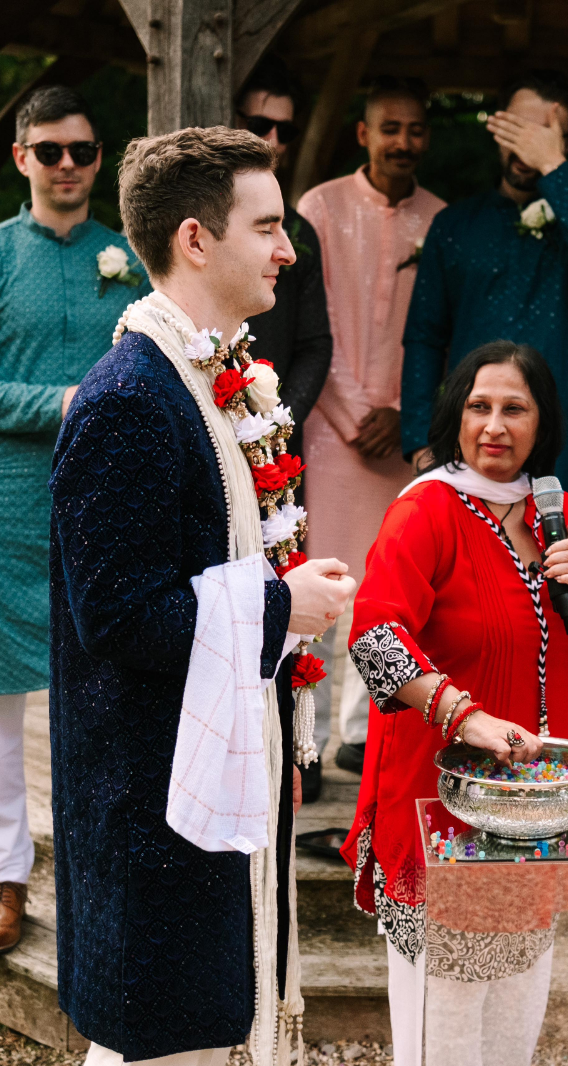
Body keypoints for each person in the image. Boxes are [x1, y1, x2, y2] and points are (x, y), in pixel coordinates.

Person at [49, 126, 358, 1066]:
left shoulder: (214, 378)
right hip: (152, 799)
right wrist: (280, 607)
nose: (287, 249)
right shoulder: (131, 397)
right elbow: (118, 615)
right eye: (267, 226)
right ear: (195, 239)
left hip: (212, 767)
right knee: (163, 1048)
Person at [339, 342, 568, 1066]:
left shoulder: (557, 512)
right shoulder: (427, 510)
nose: (495, 425)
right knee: (442, 1021)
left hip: (534, 810)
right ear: (455, 415)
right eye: (479, 406)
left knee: (516, 1008)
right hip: (437, 803)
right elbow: (375, 638)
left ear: (543, 421)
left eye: (515, 408)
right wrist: (461, 713)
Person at [0, 86, 149, 954]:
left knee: (106, 688)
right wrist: (59, 399)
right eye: (48, 150)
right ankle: (3, 875)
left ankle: (100, 867)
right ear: (20, 158)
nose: (66, 166)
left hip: (99, 503)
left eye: (81, 151)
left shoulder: (130, 257)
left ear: (99, 159)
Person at [400, 70, 568, 567]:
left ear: (566, 142)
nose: (528, 145)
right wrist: (419, 441)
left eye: (544, 134)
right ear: (496, 129)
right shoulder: (455, 225)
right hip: (476, 438)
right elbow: (423, 336)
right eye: (518, 130)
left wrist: (553, 166)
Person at [296, 76, 446, 778]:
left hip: (405, 437)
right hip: (331, 429)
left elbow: (442, 332)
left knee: (387, 586)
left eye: (415, 129)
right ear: (363, 133)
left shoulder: (442, 219)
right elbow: (308, 320)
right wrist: (357, 412)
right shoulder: (319, 208)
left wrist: (405, 417)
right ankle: (304, 740)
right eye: (391, 127)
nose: (403, 142)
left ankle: (361, 737)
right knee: (318, 578)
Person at [234, 58, 336, 795]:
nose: (271, 136)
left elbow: (315, 342)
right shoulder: (206, 226)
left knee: (288, 584)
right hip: (210, 418)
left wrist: (277, 418)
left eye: (283, 128)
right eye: (257, 122)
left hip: (276, 441)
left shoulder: (297, 233)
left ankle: (297, 749)